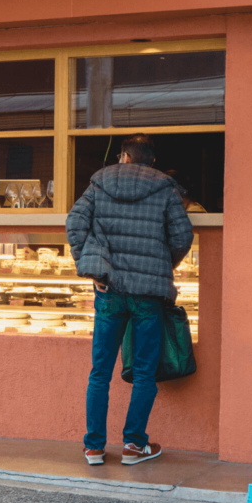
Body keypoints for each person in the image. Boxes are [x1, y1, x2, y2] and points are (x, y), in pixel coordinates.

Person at [66, 135, 193, 466]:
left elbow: (75, 223)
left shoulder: (100, 180)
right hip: (148, 295)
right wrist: (161, 266)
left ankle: (94, 447)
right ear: (151, 162)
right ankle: (134, 445)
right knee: (144, 372)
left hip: (109, 291)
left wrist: (90, 265)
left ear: (123, 156)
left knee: (100, 372)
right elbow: (182, 237)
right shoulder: (165, 187)